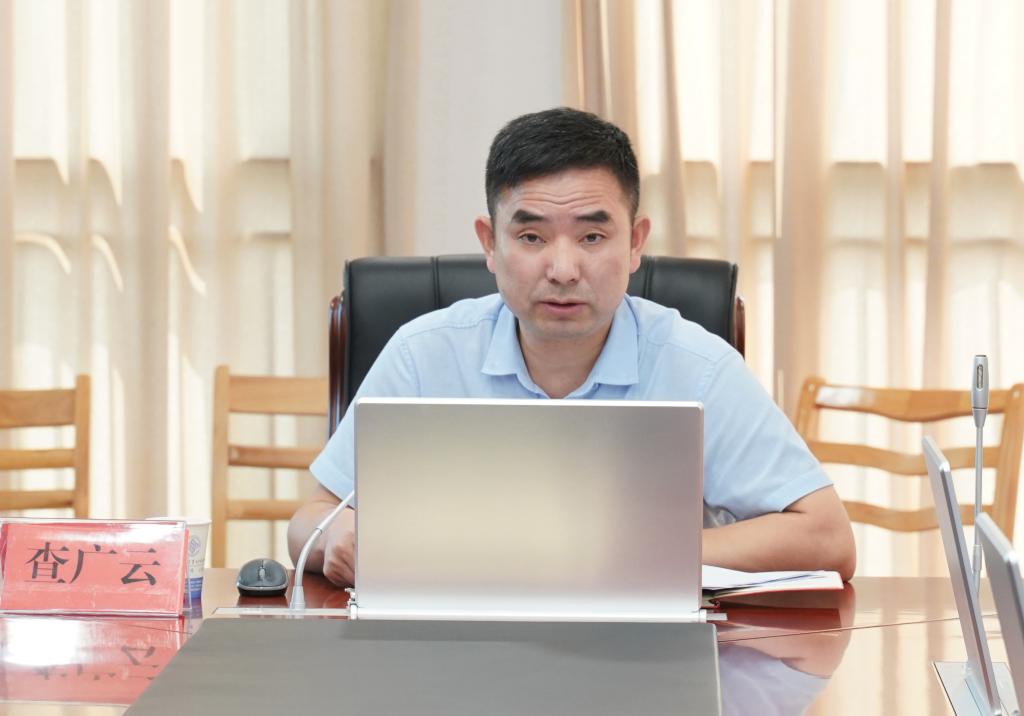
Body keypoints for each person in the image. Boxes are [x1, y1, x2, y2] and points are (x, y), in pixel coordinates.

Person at [288, 107, 856, 587]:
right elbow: (309, 519)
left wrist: (633, 556)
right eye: (531, 236)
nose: (563, 269)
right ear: (490, 244)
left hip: (641, 652)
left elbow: (828, 537)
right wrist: (335, 535)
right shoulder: (423, 355)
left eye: (592, 236)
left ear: (635, 243)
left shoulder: (697, 366)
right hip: (451, 647)